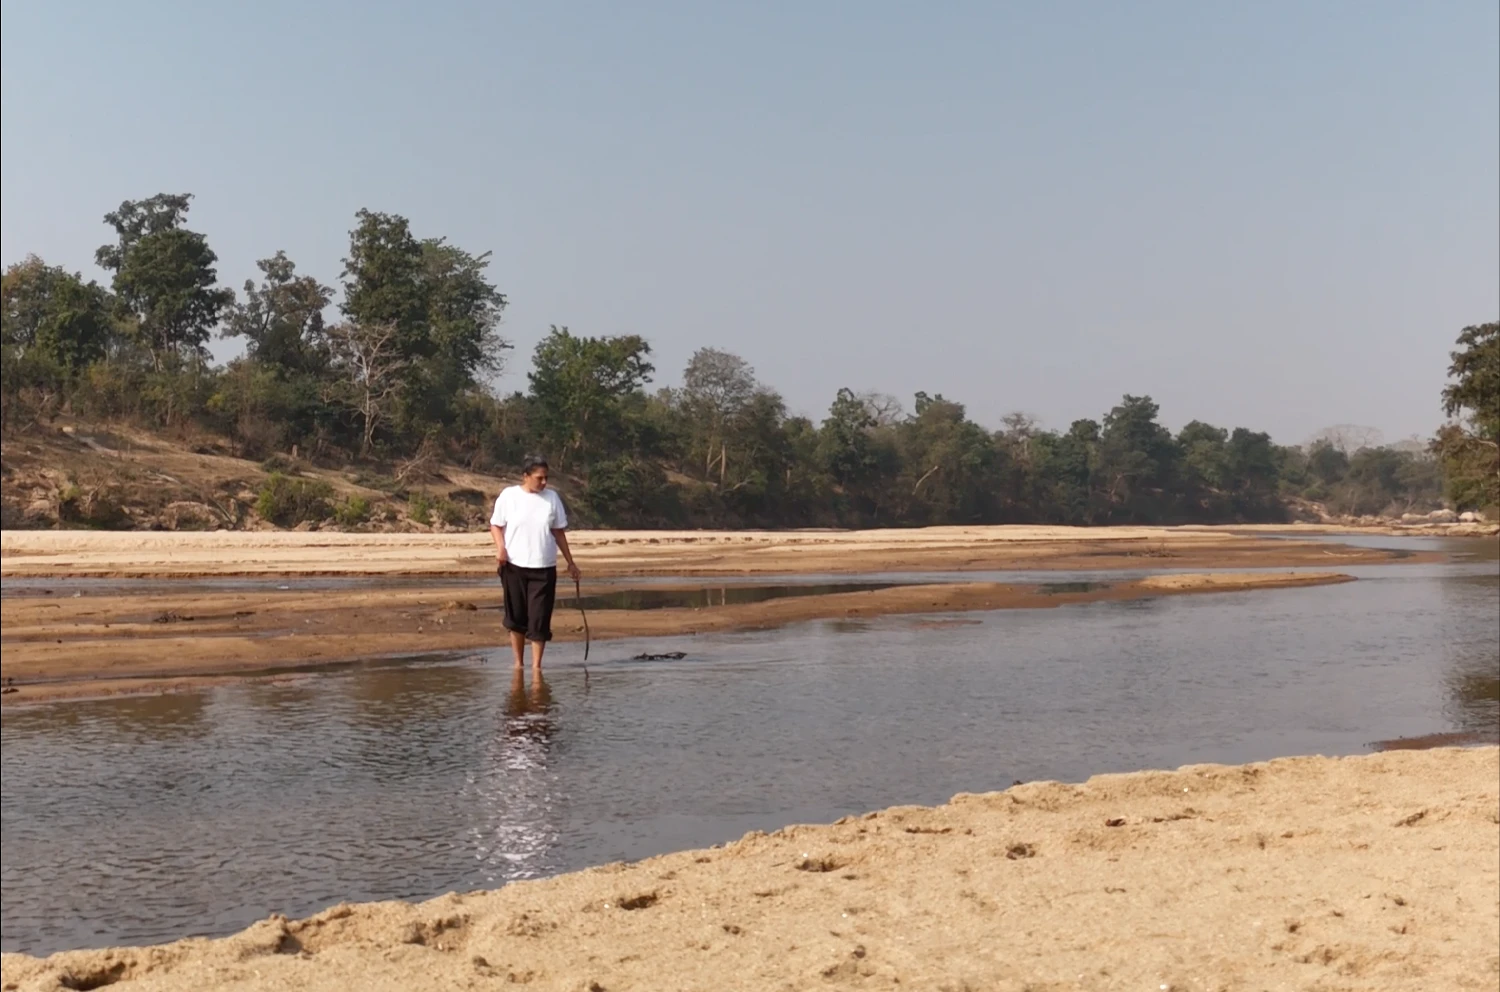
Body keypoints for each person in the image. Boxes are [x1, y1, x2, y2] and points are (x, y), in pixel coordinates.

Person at [489, 455, 581, 671]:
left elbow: (558, 531)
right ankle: (519, 663)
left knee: (539, 617)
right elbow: (495, 525)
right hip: (513, 566)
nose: (544, 482)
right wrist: (500, 548)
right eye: (539, 478)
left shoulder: (552, 498)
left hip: (544, 567)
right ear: (526, 476)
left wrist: (571, 562)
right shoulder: (509, 496)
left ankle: (537, 667)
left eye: (546, 478)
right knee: (516, 616)